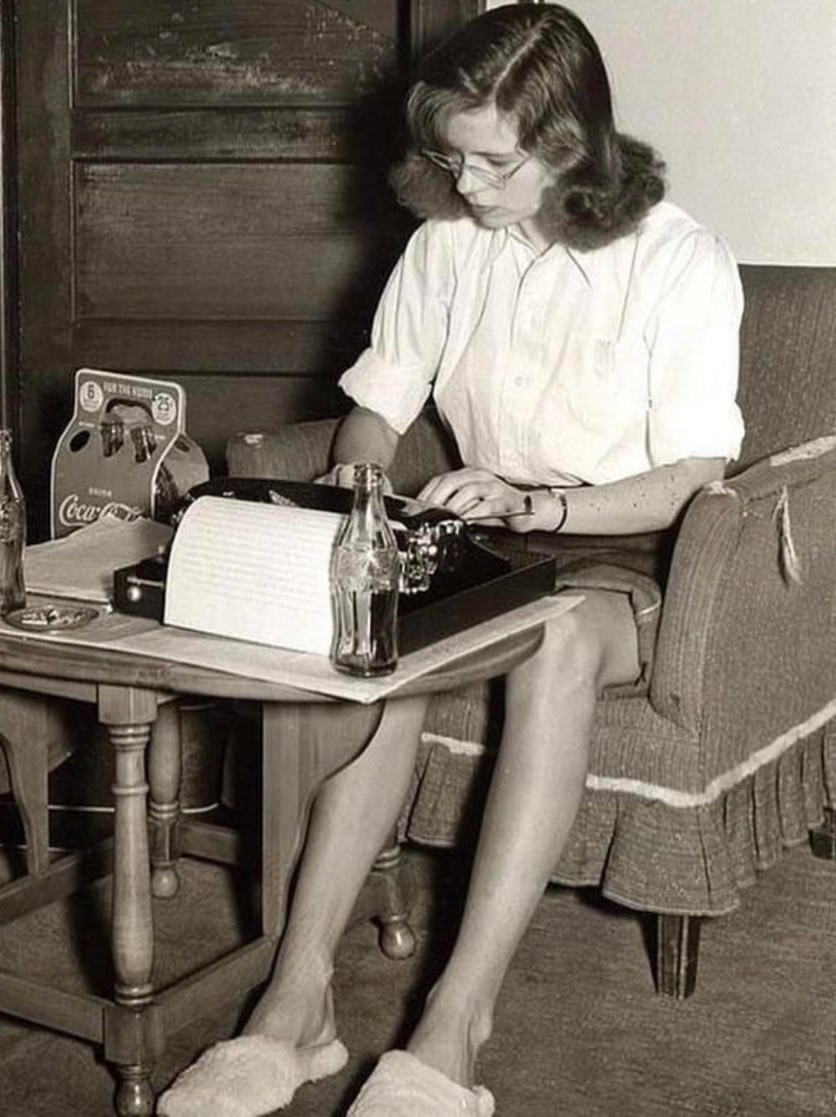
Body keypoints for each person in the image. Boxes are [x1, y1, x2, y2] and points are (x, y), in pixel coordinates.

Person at [159, 5, 743, 1115]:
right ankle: (297, 1001)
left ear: (569, 142)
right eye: (449, 155)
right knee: (388, 654)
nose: (463, 182)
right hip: (483, 536)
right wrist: (364, 480)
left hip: (629, 546)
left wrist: (542, 500)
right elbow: (378, 407)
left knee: (557, 641)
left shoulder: (678, 261)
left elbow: (695, 473)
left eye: (491, 161)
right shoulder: (443, 249)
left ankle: (452, 1024)